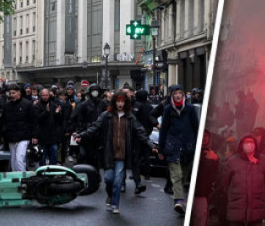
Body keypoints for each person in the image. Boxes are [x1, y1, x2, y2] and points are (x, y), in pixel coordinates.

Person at [74, 90, 156, 215]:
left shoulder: (130, 117)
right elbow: (94, 128)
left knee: (118, 181)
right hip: (108, 153)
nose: (120, 104)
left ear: (126, 103)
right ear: (114, 102)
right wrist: (81, 135)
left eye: (122, 101)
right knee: (108, 179)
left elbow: (140, 132)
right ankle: (110, 195)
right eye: (118, 101)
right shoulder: (106, 115)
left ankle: (115, 203)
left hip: (122, 155)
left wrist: (151, 145)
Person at [158, 84, 200, 214]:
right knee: (177, 175)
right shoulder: (168, 110)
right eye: (175, 93)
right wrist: (160, 149)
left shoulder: (190, 109)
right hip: (172, 147)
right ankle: (179, 200)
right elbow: (163, 130)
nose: (177, 95)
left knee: (184, 176)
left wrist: (198, 146)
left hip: (188, 147)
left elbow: (196, 128)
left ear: (183, 95)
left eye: (180, 93)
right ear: (171, 95)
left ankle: (179, 200)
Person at [222, 134, 265, 226]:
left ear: (255, 145)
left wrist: (262, 192)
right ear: (241, 145)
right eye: (246, 142)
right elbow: (225, 181)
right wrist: (232, 195)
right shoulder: (233, 161)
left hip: (256, 206)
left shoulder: (262, 160)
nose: (249, 144)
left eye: (251, 142)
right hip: (236, 206)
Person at [0, 84, 38, 171]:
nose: (11, 95)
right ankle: (15, 179)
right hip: (11, 137)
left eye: (13, 93)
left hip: (23, 137)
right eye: (10, 93)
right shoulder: (7, 106)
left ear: (18, 93)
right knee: (13, 160)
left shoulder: (27, 104)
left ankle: (22, 180)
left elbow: (34, 121)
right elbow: (2, 121)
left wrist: (34, 136)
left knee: (19, 159)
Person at [33, 88, 64, 166]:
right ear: (40, 95)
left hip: (53, 136)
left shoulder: (53, 104)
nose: (45, 97)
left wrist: (57, 113)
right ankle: (42, 173)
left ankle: (52, 172)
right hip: (42, 136)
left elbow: (59, 121)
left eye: (46, 95)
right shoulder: (37, 106)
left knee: (54, 154)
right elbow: (36, 119)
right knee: (42, 156)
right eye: (43, 95)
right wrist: (46, 112)